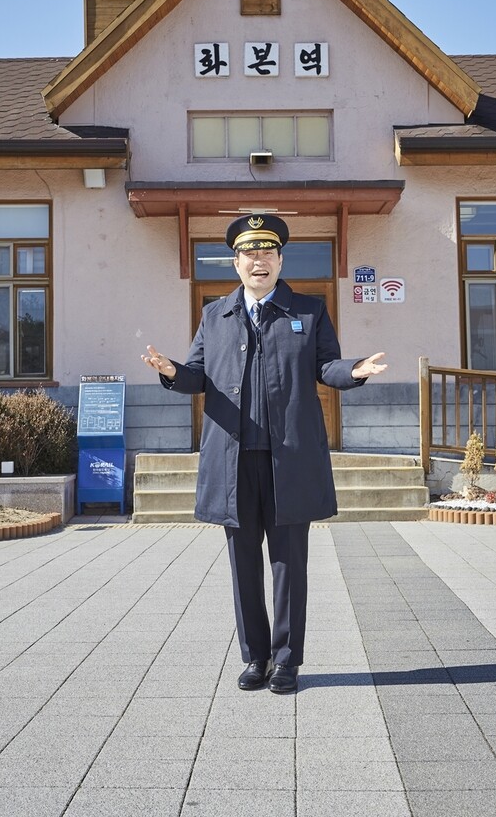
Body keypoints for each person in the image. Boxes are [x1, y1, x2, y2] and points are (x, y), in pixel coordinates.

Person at [143, 214, 386, 694]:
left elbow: (327, 367)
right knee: (243, 566)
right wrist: (171, 370)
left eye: (268, 253)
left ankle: (287, 662)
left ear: (279, 260)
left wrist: (354, 370)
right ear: (236, 262)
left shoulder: (309, 311)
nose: (259, 261)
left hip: (288, 461)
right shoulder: (215, 315)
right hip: (234, 463)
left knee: (289, 565)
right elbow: (198, 375)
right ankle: (255, 658)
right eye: (250, 254)